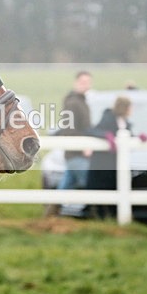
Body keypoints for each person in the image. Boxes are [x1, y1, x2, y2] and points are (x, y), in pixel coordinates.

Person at [47, 71, 92, 217]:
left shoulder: (82, 101)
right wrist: (84, 145)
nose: (86, 85)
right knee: (90, 182)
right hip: (76, 153)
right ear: (76, 83)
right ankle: (95, 213)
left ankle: (50, 215)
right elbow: (69, 130)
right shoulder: (73, 103)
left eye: (88, 82)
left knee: (64, 187)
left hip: (75, 153)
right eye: (83, 82)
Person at [86, 96, 133, 219]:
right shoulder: (108, 117)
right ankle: (100, 217)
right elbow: (92, 131)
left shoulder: (126, 122)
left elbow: (130, 135)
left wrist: (140, 138)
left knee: (114, 189)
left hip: (115, 164)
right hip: (102, 163)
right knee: (101, 190)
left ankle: (112, 217)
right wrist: (106, 135)